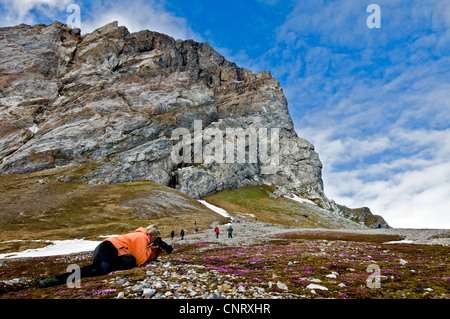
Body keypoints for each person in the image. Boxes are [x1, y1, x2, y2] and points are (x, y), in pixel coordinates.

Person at [38, 225, 165, 288]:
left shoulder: (139, 236)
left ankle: (56, 280)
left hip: (104, 249)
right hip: (108, 248)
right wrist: (150, 251)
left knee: (99, 269)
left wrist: (152, 251)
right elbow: (139, 259)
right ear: (152, 235)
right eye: (155, 239)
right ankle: (55, 280)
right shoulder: (142, 237)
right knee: (102, 269)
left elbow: (137, 257)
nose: (154, 241)